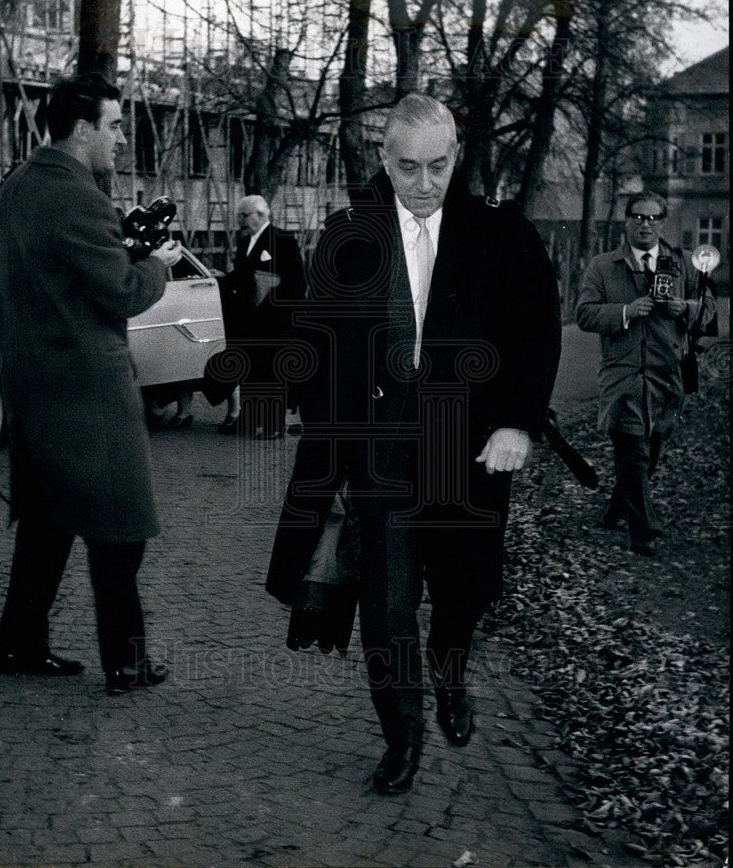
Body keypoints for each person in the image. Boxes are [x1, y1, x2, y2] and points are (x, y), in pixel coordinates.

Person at [266, 93, 561, 794]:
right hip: (382, 461)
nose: (424, 184)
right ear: (382, 159)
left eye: (438, 166)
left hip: (470, 456)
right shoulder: (346, 236)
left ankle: (450, 669)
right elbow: (312, 346)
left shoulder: (502, 234)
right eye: (407, 168)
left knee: (463, 595)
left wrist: (518, 422)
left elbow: (537, 334)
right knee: (386, 608)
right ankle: (402, 737)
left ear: (457, 154)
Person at [0, 71, 182, 695]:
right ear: (82, 130)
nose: (122, 138)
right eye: (116, 125)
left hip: (34, 386)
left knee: (48, 524)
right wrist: (156, 262)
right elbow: (122, 293)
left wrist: (117, 243)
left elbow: (53, 277)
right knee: (121, 528)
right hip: (88, 389)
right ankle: (125, 664)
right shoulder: (78, 197)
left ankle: (20, 645)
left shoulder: (20, 183)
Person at [576, 193, 715, 558]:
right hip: (622, 376)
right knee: (632, 450)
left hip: (666, 375)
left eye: (653, 218)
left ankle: (617, 507)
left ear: (663, 222)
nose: (645, 224)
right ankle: (644, 531)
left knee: (651, 452)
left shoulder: (684, 263)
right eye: (638, 217)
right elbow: (585, 314)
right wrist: (625, 310)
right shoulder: (604, 266)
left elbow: (709, 313)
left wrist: (683, 307)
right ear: (627, 221)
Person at [217, 194, 306, 439]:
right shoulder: (245, 242)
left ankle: (275, 425)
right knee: (253, 371)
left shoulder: (283, 239)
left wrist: (279, 311)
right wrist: (224, 277)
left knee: (272, 373)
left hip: (274, 320)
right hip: (250, 320)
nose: (241, 220)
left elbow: (297, 280)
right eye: (240, 216)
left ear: (261, 214)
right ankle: (251, 420)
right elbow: (243, 275)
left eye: (245, 215)